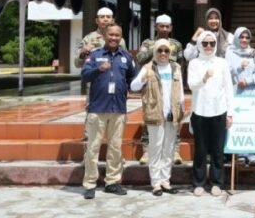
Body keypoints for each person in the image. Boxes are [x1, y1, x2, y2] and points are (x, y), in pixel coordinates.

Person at [79, 24, 137, 199]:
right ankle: (90, 184)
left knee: (115, 148)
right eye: (110, 35)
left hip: (118, 108)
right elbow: (84, 76)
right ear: (104, 36)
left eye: (117, 35)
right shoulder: (95, 55)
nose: (113, 38)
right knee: (93, 147)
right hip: (98, 108)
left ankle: (112, 182)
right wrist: (99, 69)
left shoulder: (126, 57)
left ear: (121, 37)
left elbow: (133, 78)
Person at [130, 38, 185, 196]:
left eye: (166, 51)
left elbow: (180, 91)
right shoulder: (148, 67)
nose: (163, 53)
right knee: (156, 149)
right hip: (155, 113)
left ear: (170, 53)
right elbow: (133, 86)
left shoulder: (175, 68)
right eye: (160, 50)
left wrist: (181, 110)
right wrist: (143, 79)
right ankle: (155, 183)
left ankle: (165, 182)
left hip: (172, 114)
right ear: (155, 52)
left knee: (168, 149)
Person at [187, 30, 234, 196]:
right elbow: (192, 85)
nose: (208, 46)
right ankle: (198, 182)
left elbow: (228, 88)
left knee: (217, 150)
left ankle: (216, 183)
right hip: (199, 111)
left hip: (219, 110)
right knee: (200, 149)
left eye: (212, 43)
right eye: (205, 43)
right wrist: (204, 79)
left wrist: (230, 113)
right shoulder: (194, 63)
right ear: (200, 44)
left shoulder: (222, 62)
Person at [136, 13, 185, 166]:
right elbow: (140, 59)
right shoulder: (147, 42)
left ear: (171, 28)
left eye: (167, 26)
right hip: (152, 85)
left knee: (174, 117)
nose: (164, 29)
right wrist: (155, 48)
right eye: (161, 26)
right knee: (150, 115)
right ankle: (147, 151)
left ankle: (175, 150)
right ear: (155, 26)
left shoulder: (176, 44)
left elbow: (181, 63)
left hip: (170, 85)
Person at [226, 26, 255, 166]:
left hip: (252, 92)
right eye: (241, 37)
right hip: (237, 92)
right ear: (236, 37)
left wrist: (248, 80)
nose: (244, 39)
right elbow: (226, 71)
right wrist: (239, 68)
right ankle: (241, 154)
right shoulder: (230, 52)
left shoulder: (253, 52)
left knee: (253, 123)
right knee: (239, 123)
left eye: (247, 37)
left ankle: (254, 155)